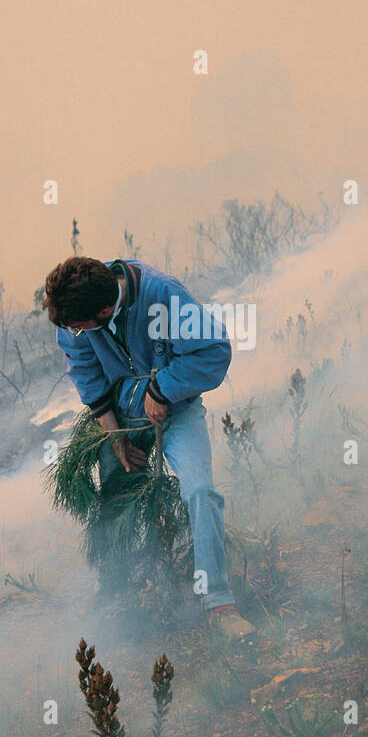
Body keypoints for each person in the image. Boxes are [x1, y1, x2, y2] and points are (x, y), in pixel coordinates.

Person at [42, 256, 255, 637]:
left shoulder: (163, 295)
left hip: (175, 409)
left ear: (105, 311)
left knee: (200, 492)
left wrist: (162, 389)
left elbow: (214, 352)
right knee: (114, 500)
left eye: (79, 328)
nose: (72, 334)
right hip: (121, 412)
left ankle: (218, 601)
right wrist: (114, 435)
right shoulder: (73, 314)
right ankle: (117, 588)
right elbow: (87, 374)